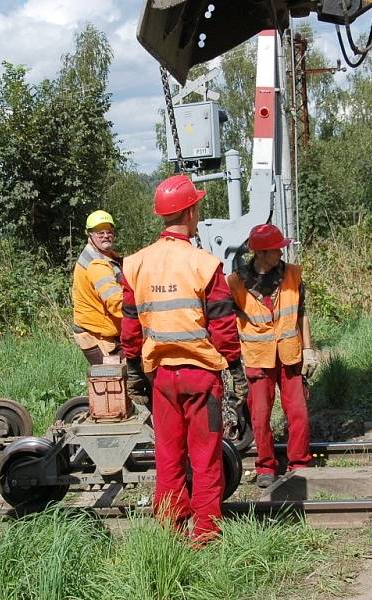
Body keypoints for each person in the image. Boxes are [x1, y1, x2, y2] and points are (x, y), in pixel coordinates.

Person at [120, 174, 247, 544]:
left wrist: (132, 368)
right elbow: (223, 325)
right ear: (191, 212)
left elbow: (129, 327)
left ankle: (170, 534)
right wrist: (235, 369)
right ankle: (205, 535)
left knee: (168, 458)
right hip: (201, 378)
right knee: (205, 459)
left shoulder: (136, 263)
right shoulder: (204, 264)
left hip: (161, 378)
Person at [226, 223, 319, 488]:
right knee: (259, 415)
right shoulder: (235, 283)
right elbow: (225, 322)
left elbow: (301, 315)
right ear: (261, 253)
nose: (281, 252)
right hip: (258, 358)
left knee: (298, 412)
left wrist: (308, 350)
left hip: (290, 356)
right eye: (276, 248)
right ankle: (265, 466)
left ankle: (299, 463)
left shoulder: (292, 275)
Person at [72, 210, 124, 364]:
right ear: (89, 235)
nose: (105, 235)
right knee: (115, 382)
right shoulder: (97, 264)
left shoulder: (105, 256)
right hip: (96, 336)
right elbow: (116, 303)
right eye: (100, 232)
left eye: (109, 231)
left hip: (105, 333)